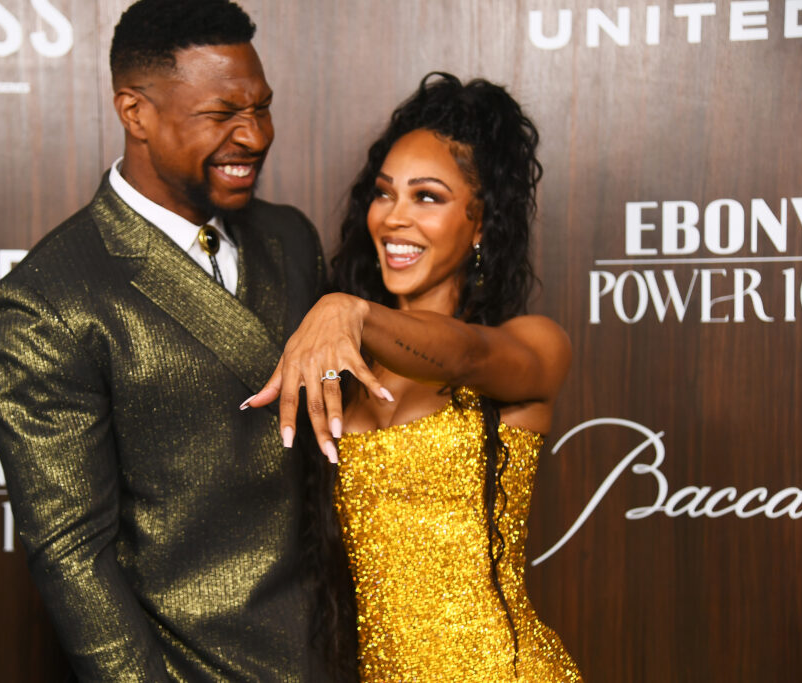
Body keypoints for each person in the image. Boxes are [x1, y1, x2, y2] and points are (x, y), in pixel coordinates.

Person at [0, 1, 331, 680]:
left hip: (334, 654)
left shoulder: (291, 238)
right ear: (134, 112)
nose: (254, 135)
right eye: (222, 114)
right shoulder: (47, 299)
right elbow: (74, 553)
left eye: (262, 108)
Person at [245, 73, 583, 680]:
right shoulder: (340, 371)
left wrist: (349, 309)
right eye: (384, 194)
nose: (395, 219)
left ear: (481, 223)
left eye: (427, 197)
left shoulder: (532, 345)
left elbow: (465, 356)